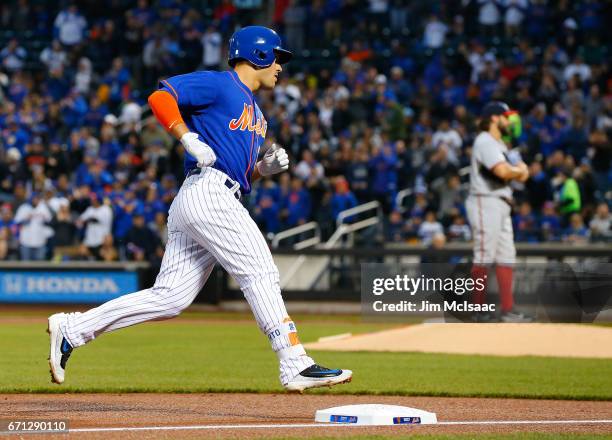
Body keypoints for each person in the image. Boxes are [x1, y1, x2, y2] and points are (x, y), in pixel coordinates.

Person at [47, 26, 352, 392]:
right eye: (277, 57)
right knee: (260, 271)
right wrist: (185, 135)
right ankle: (295, 362)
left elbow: (238, 171)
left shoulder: (257, 112)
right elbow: (161, 97)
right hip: (208, 192)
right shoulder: (222, 85)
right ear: (257, 55)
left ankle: (73, 329)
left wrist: (261, 170)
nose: (280, 66)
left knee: (170, 298)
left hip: (211, 195)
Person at [466, 101, 532, 322]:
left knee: (506, 255)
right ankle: (477, 310)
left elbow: (525, 174)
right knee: (484, 254)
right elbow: (503, 171)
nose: (509, 121)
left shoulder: (502, 144)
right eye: (505, 116)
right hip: (485, 200)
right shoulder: (485, 141)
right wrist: (517, 170)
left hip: (502, 202)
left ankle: (508, 309)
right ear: (494, 118)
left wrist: (517, 171)